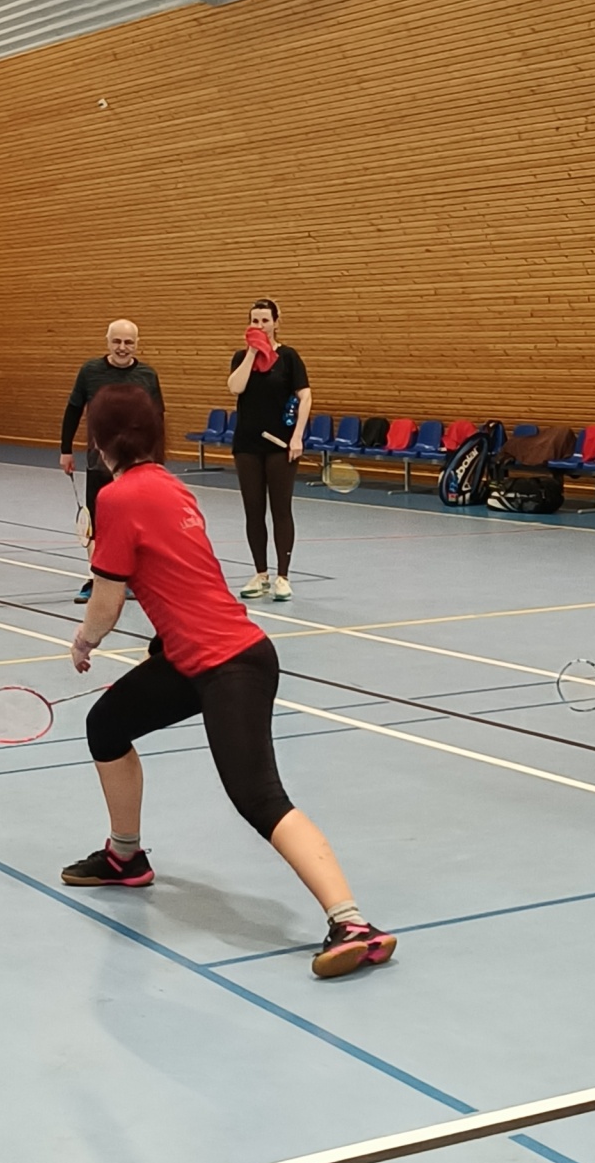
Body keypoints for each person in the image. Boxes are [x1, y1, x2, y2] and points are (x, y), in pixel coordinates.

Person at [61, 382, 394, 980]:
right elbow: (183, 574)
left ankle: (352, 923)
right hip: (195, 657)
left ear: (99, 443)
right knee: (106, 725)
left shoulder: (116, 497)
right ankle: (124, 857)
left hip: (228, 666)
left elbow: (106, 604)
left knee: (258, 797)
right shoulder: (170, 485)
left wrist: (85, 642)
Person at [60, 320, 163, 604]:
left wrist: (157, 458)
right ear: (107, 342)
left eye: (128, 342)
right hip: (100, 462)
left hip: (138, 464)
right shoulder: (90, 371)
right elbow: (73, 409)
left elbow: (157, 417)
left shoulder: (147, 375)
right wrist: (66, 450)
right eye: (117, 341)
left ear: (137, 344)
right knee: (97, 522)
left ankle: (131, 578)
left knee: (134, 523)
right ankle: (96, 579)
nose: (122, 347)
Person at [227, 298, 311, 602]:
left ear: (276, 322)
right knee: (253, 511)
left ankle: (282, 577)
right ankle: (260, 574)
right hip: (247, 445)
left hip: (281, 446)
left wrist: (297, 436)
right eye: (255, 321)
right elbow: (235, 387)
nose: (260, 326)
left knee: (280, 510)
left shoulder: (289, 357)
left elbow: (305, 396)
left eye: (265, 320)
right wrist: (253, 351)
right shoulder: (241, 357)